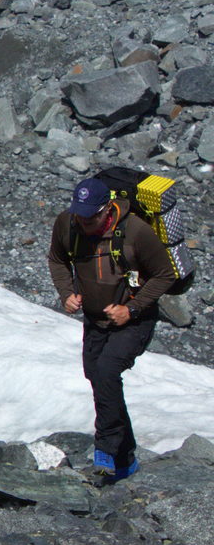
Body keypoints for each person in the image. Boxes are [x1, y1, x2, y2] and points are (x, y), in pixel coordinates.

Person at [46, 174, 177, 484]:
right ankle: (125, 459)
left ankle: (104, 450)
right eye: (80, 213)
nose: (83, 221)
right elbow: (57, 260)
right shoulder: (67, 224)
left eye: (90, 215)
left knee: (105, 372)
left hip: (134, 320)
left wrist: (130, 309)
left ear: (107, 209)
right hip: (95, 318)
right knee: (97, 377)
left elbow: (164, 275)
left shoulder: (136, 232)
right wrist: (66, 294)